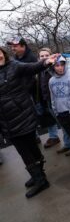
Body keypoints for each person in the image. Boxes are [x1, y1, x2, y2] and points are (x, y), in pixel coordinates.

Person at [0, 46, 59, 198]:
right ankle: (38, 174)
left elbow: (34, 67)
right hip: (6, 120)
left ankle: (41, 180)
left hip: (23, 114)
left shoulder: (14, 66)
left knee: (28, 149)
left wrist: (47, 62)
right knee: (25, 149)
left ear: (3, 54)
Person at [7, 37, 42, 144]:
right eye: (12, 46)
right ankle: (33, 136)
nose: (13, 48)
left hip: (30, 92)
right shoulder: (15, 58)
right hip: (20, 92)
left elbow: (32, 78)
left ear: (23, 46)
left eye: (15, 46)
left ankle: (36, 136)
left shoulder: (31, 58)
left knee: (35, 114)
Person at [36, 48, 61, 148]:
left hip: (56, 100)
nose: (44, 57)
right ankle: (54, 137)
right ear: (38, 58)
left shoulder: (55, 68)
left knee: (62, 122)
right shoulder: (39, 71)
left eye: (47, 55)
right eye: (42, 56)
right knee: (50, 120)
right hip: (45, 99)